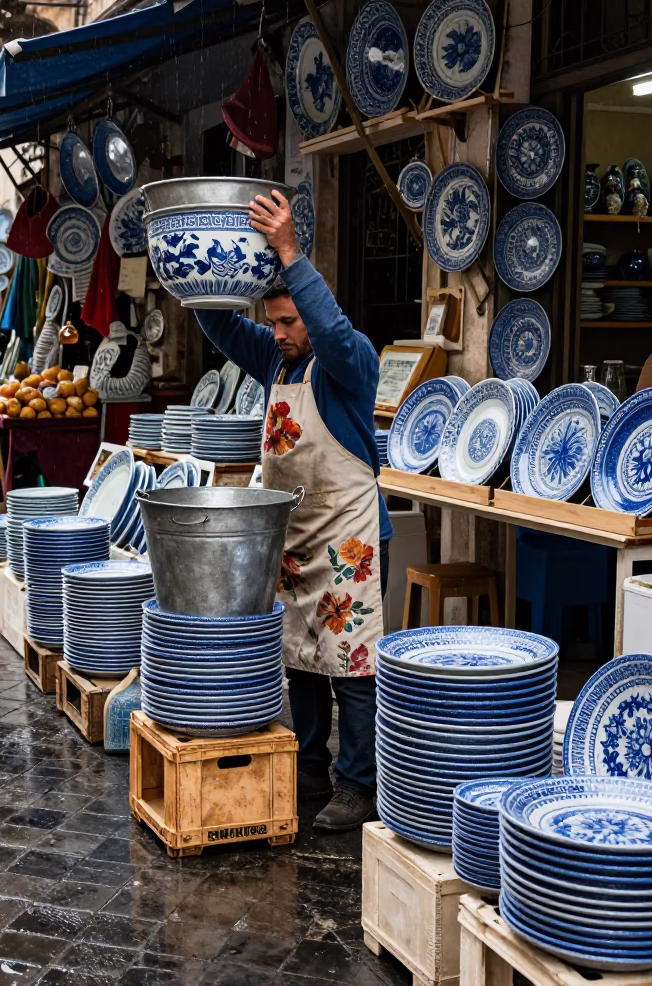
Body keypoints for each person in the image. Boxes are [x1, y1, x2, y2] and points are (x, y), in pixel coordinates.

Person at [194, 189, 391, 833]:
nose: (276, 334)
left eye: (286, 322)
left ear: (308, 312)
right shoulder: (277, 361)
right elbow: (223, 326)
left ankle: (358, 783)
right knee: (298, 660)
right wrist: (199, 269)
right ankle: (307, 764)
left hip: (347, 537)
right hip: (294, 535)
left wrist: (289, 251)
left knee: (352, 665)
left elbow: (331, 331)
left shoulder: (348, 362)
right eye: (272, 323)